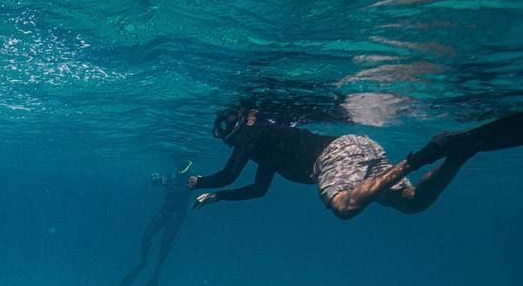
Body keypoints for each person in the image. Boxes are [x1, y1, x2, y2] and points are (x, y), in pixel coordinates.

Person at [190, 106, 522, 220]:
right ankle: (459, 153)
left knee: (344, 207)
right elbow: (258, 189)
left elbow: (229, 173)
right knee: (413, 204)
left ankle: (423, 156)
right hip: (355, 147)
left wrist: (198, 182)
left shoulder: (254, 133)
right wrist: (218, 197)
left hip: (336, 157)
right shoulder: (264, 147)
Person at [111, 156, 193, 286]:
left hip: (176, 216)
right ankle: (143, 263)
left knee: (165, 245)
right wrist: (154, 180)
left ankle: (156, 273)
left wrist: (164, 182)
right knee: (147, 235)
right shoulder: (173, 172)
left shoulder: (192, 175)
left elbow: (184, 192)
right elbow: (162, 185)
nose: (178, 165)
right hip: (165, 211)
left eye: (181, 163)